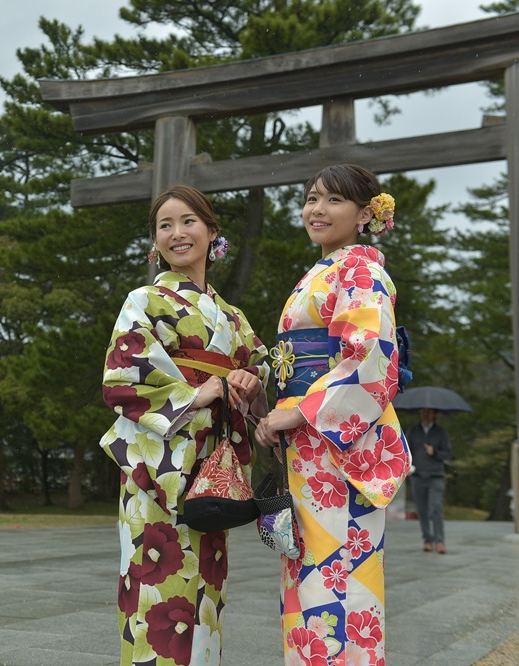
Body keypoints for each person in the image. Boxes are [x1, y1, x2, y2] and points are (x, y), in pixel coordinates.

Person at [100, 184, 270, 666]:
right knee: (156, 588)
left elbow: (260, 378)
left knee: (207, 592)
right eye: (165, 226)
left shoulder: (233, 317)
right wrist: (200, 393)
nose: (177, 233)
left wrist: (248, 384)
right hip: (157, 468)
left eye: (188, 221)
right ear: (155, 243)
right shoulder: (144, 301)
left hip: (210, 469)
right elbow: (122, 377)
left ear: (212, 232)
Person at [255, 164, 411, 665]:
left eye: (333, 201)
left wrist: (298, 410)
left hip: (336, 451)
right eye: (310, 198)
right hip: (313, 446)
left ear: (365, 214)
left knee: (336, 581)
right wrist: (268, 404)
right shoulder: (327, 272)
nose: (316, 210)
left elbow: (371, 357)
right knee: (310, 580)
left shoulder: (361, 271)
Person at [406, 408, 451, 553]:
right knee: (422, 510)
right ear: (419, 413)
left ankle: (439, 541)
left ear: (434, 414)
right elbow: (405, 451)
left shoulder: (441, 433)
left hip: (436, 476)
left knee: (435, 508)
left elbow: (448, 453)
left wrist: (435, 452)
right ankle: (428, 540)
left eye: (429, 412)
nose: (426, 414)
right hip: (418, 476)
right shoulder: (413, 431)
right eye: (423, 411)